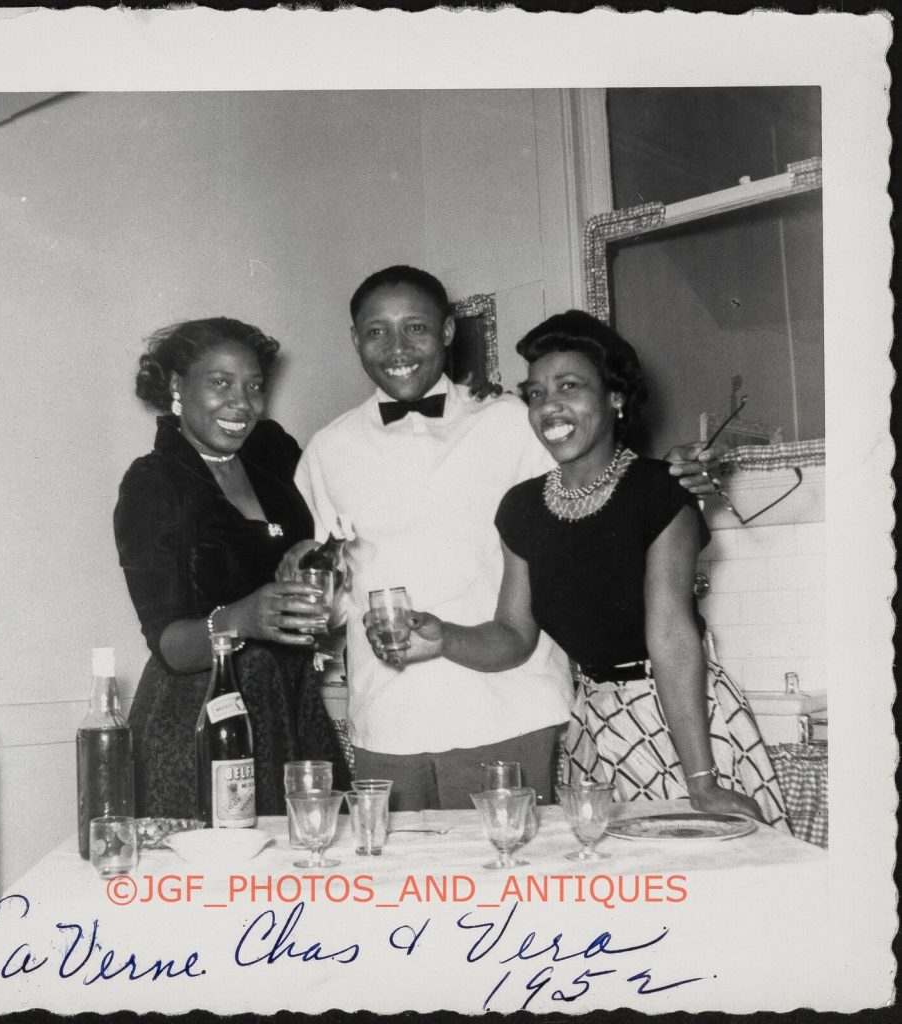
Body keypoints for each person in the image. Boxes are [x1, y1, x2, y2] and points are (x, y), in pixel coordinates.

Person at [291, 266, 721, 812]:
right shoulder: (326, 450)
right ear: (355, 340)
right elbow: (326, 597)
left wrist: (677, 471)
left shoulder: (514, 418)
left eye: (416, 328)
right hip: (387, 718)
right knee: (403, 891)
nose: (397, 347)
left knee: (515, 880)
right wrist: (307, 589)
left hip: (510, 708)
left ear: (448, 331)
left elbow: (605, 482)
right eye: (376, 331)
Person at [381, 310, 788, 826]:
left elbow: (671, 637)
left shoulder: (660, 490)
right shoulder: (522, 508)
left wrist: (702, 782)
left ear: (615, 397)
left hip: (684, 724)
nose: (549, 405)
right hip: (594, 725)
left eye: (569, 386)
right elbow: (512, 635)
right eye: (535, 393)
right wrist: (444, 639)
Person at [114, 317, 351, 819]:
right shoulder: (153, 484)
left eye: (254, 386)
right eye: (220, 383)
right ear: (177, 386)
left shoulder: (274, 451)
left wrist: (315, 546)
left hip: (292, 704)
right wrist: (243, 618)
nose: (241, 403)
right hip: (200, 718)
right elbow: (171, 646)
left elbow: (342, 521)